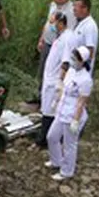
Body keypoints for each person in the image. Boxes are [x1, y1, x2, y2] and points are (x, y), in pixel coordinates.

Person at [46, 46, 93, 181]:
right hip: (62, 110)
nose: (71, 60)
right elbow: (64, 89)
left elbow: (81, 102)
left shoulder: (86, 80)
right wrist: (56, 101)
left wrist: (76, 120)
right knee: (52, 137)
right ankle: (56, 161)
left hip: (72, 114)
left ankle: (67, 171)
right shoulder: (71, 71)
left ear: (82, 61)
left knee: (69, 144)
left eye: (74, 58)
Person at [38, 12, 76, 149]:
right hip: (50, 80)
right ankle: (45, 139)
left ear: (60, 22)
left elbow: (66, 61)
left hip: (55, 82)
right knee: (47, 110)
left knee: (51, 112)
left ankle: (44, 141)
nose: (50, 26)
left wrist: (61, 81)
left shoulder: (68, 38)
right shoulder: (60, 37)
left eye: (52, 23)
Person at [33, 0, 74, 104]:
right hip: (47, 41)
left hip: (57, 46)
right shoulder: (53, 5)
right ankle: (39, 95)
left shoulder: (70, 11)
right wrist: (41, 39)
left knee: (53, 72)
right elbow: (47, 23)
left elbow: (67, 31)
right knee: (42, 69)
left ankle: (52, 98)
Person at [71, 0, 99, 74]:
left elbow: (90, 50)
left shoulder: (90, 26)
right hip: (72, 69)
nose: (74, 9)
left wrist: (80, 68)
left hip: (80, 72)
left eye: (76, 6)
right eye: (74, 6)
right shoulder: (79, 23)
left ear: (85, 9)